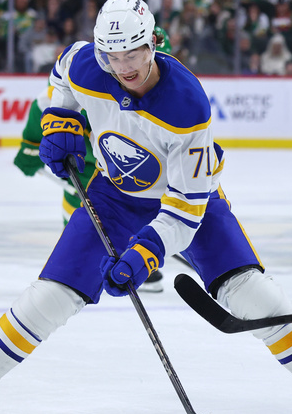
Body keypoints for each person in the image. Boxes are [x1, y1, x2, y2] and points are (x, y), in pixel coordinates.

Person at [0, 0, 292, 414]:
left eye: (133, 53)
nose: (123, 66)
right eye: (112, 56)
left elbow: (185, 208)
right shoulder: (88, 65)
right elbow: (61, 71)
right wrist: (59, 117)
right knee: (54, 292)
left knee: (250, 291)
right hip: (112, 196)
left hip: (189, 202)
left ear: (153, 43)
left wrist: (146, 253)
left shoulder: (187, 104)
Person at [12, 27, 174, 293]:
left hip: (131, 165)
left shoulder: (166, 87)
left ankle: (133, 258)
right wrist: (30, 148)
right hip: (88, 160)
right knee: (82, 208)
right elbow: (43, 107)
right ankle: (79, 266)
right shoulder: (91, 80)